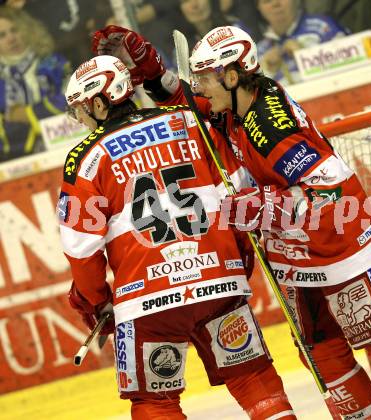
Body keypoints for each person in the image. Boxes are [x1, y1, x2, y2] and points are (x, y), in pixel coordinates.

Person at [92, 24, 371, 419]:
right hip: (294, 256)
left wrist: (265, 203)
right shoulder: (238, 105)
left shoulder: (270, 127)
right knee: (320, 353)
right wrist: (151, 72)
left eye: (205, 78)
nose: (199, 87)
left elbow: (331, 190)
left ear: (232, 76)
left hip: (338, 250)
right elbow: (190, 106)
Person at [58, 54, 295, 419]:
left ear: (101, 102)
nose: (80, 121)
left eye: (81, 111)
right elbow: (238, 193)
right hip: (219, 281)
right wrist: (239, 260)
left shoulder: (85, 158)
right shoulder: (190, 121)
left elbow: (80, 248)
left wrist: (95, 301)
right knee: (252, 375)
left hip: (146, 300)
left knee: (154, 402)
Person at [0, 6, 69, 161]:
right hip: (17, 159)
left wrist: (29, 114)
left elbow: (74, 100)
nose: (11, 38)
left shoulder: (55, 64)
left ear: (27, 30)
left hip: (67, 144)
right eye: (2, 35)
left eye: (15, 30)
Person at [256, 0, 349, 85]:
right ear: (259, 8)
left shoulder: (323, 27)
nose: (275, 4)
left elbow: (352, 64)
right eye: (267, 1)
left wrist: (306, 58)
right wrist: (268, 72)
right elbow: (252, 99)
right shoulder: (257, 53)